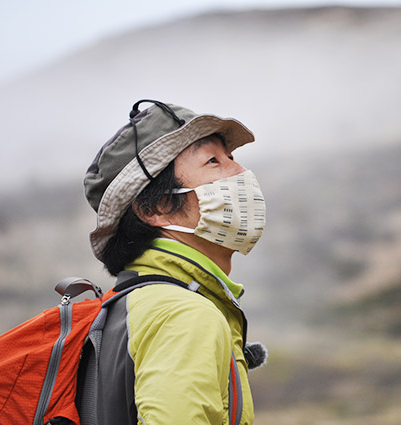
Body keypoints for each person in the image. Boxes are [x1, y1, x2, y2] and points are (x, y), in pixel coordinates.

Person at [77, 99, 266, 425]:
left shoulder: (129, 306)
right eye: (213, 161)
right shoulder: (182, 315)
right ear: (156, 207)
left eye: (231, 158)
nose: (241, 173)